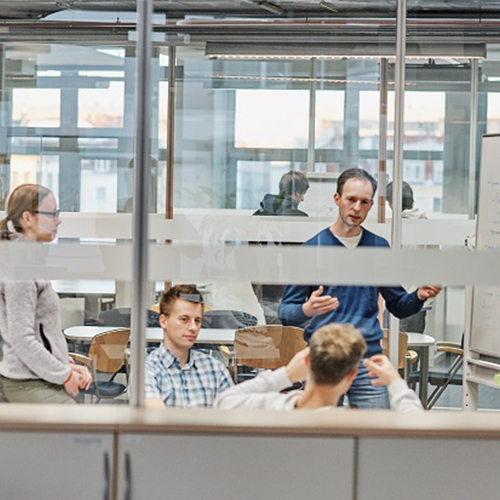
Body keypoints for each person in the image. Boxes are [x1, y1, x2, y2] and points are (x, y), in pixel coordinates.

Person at [279, 168, 441, 409]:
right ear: (337, 199)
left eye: (364, 202)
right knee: (320, 429)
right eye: (351, 199)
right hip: (324, 360)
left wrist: (418, 296)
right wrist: (308, 309)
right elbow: (285, 313)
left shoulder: (378, 247)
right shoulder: (313, 249)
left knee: (374, 430)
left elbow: (398, 306)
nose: (357, 208)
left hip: (367, 360)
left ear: (371, 205)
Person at [0, 184, 92, 403]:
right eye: (52, 214)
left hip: (39, 376)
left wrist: (67, 365)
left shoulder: (27, 260)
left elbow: (43, 334)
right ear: (27, 218)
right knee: (79, 423)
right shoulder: (20, 268)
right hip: (26, 381)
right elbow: (22, 339)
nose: (58, 220)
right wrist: (64, 375)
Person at [215, 323, 423, 412]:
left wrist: (286, 374)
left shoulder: (274, 408)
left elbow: (224, 401)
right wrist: (395, 382)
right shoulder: (354, 426)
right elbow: (416, 424)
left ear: (307, 362)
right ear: (351, 376)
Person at [145, 284, 233, 408]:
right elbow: (157, 417)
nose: (193, 327)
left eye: (197, 320)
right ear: (163, 321)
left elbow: (233, 415)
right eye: (184, 319)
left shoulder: (215, 369)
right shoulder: (147, 370)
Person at [253, 170, 309, 324]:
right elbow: (303, 261)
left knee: (273, 329)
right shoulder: (300, 219)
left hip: (264, 285)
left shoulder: (258, 215)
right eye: (302, 194)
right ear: (297, 193)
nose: (303, 199)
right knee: (293, 331)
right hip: (290, 288)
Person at [385, 180, 433, 333]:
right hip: (420, 302)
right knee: (413, 345)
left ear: (392, 202)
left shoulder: (399, 227)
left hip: (402, 299)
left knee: (395, 345)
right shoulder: (426, 224)